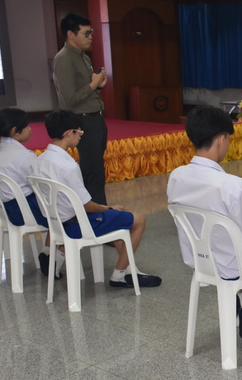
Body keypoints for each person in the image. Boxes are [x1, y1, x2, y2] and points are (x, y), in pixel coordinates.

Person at [168, 105, 242, 341]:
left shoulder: (176, 176)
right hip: (235, 265)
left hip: (201, 261)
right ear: (221, 139)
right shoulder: (230, 184)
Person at [33, 110, 161, 289]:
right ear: (68, 133)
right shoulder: (68, 166)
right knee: (138, 220)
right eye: (79, 131)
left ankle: (130, 270)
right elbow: (87, 206)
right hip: (76, 225)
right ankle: (120, 275)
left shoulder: (40, 160)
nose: (81, 135)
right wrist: (109, 208)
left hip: (56, 223)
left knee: (117, 221)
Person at [0, 108, 56, 276]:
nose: (30, 129)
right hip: (21, 211)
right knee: (62, 210)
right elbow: (42, 183)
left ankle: (49, 252)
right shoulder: (23, 156)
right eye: (27, 126)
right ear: (15, 131)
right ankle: (50, 254)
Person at [52, 12, 108, 205]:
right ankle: (97, 214)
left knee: (95, 168)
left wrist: (98, 86)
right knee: (93, 171)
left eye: (91, 32)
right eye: (86, 33)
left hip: (95, 117)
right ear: (71, 34)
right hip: (83, 120)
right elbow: (70, 99)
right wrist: (94, 84)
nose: (90, 37)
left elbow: (86, 90)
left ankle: (91, 210)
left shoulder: (84, 57)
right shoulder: (64, 58)